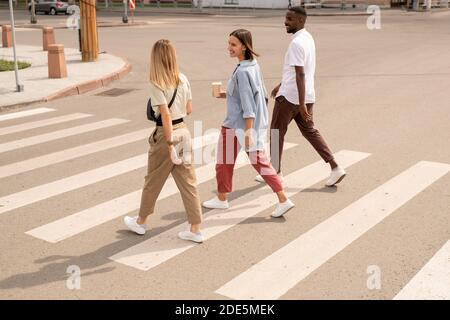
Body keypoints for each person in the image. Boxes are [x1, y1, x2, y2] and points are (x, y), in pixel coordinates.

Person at [202, 29, 295, 218]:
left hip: (239, 126)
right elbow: (254, 94)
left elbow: (248, 104)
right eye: (229, 43)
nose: (229, 48)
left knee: (254, 162)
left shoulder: (243, 72)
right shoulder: (252, 65)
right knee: (227, 163)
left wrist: (249, 131)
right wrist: (223, 94)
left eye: (233, 44)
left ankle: (284, 199)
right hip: (244, 124)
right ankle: (221, 198)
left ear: (244, 46)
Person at [255, 6, 346, 187]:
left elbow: (300, 74)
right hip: (306, 94)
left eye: (289, 19)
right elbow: (298, 70)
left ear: (301, 21)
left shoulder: (296, 43)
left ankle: (276, 172)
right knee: (310, 131)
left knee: (276, 132)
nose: (285, 22)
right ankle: (336, 168)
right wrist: (281, 85)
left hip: (291, 98)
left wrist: (301, 103)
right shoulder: (307, 38)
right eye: (286, 18)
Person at [123, 39, 204, 243]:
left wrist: (169, 144)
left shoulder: (156, 82)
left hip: (166, 135)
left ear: (155, 58)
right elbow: (189, 109)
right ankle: (195, 229)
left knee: (153, 180)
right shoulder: (183, 79)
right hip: (184, 131)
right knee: (189, 182)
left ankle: (140, 222)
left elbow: (165, 115)